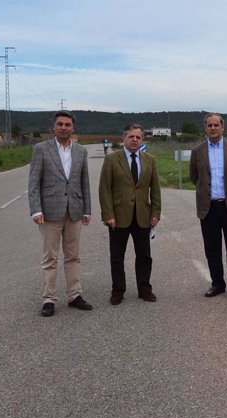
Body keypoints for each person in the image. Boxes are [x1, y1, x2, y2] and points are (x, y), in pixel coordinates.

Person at [28, 110, 93, 317]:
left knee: (73, 256)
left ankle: (75, 295)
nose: (64, 128)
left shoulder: (81, 151)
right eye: (60, 124)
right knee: (50, 257)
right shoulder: (41, 149)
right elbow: (33, 183)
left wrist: (87, 210)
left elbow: (84, 182)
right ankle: (49, 298)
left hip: (74, 210)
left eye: (67, 125)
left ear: (73, 128)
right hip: (49, 212)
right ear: (54, 127)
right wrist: (36, 209)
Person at [99, 124, 161, 305]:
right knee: (117, 256)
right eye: (131, 137)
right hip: (118, 217)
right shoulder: (112, 160)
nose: (135, 140)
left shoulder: (150, 160)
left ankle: (145, 289)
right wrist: (108, 214)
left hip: (143, 215)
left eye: (138, 137)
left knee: (144, 256)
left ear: (142, 140)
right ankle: (118, 290)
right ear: (123, 139)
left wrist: (156, 212)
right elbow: (105, 190)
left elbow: (155, 189)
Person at [189, 114, 227, 299]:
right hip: (209, 208)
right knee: (212, 249)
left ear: (223, 127)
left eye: (216, 125)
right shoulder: (197, 151)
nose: (213, 128)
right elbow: (194, 177)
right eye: (209, 125)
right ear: (205, 128)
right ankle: (217, 284)